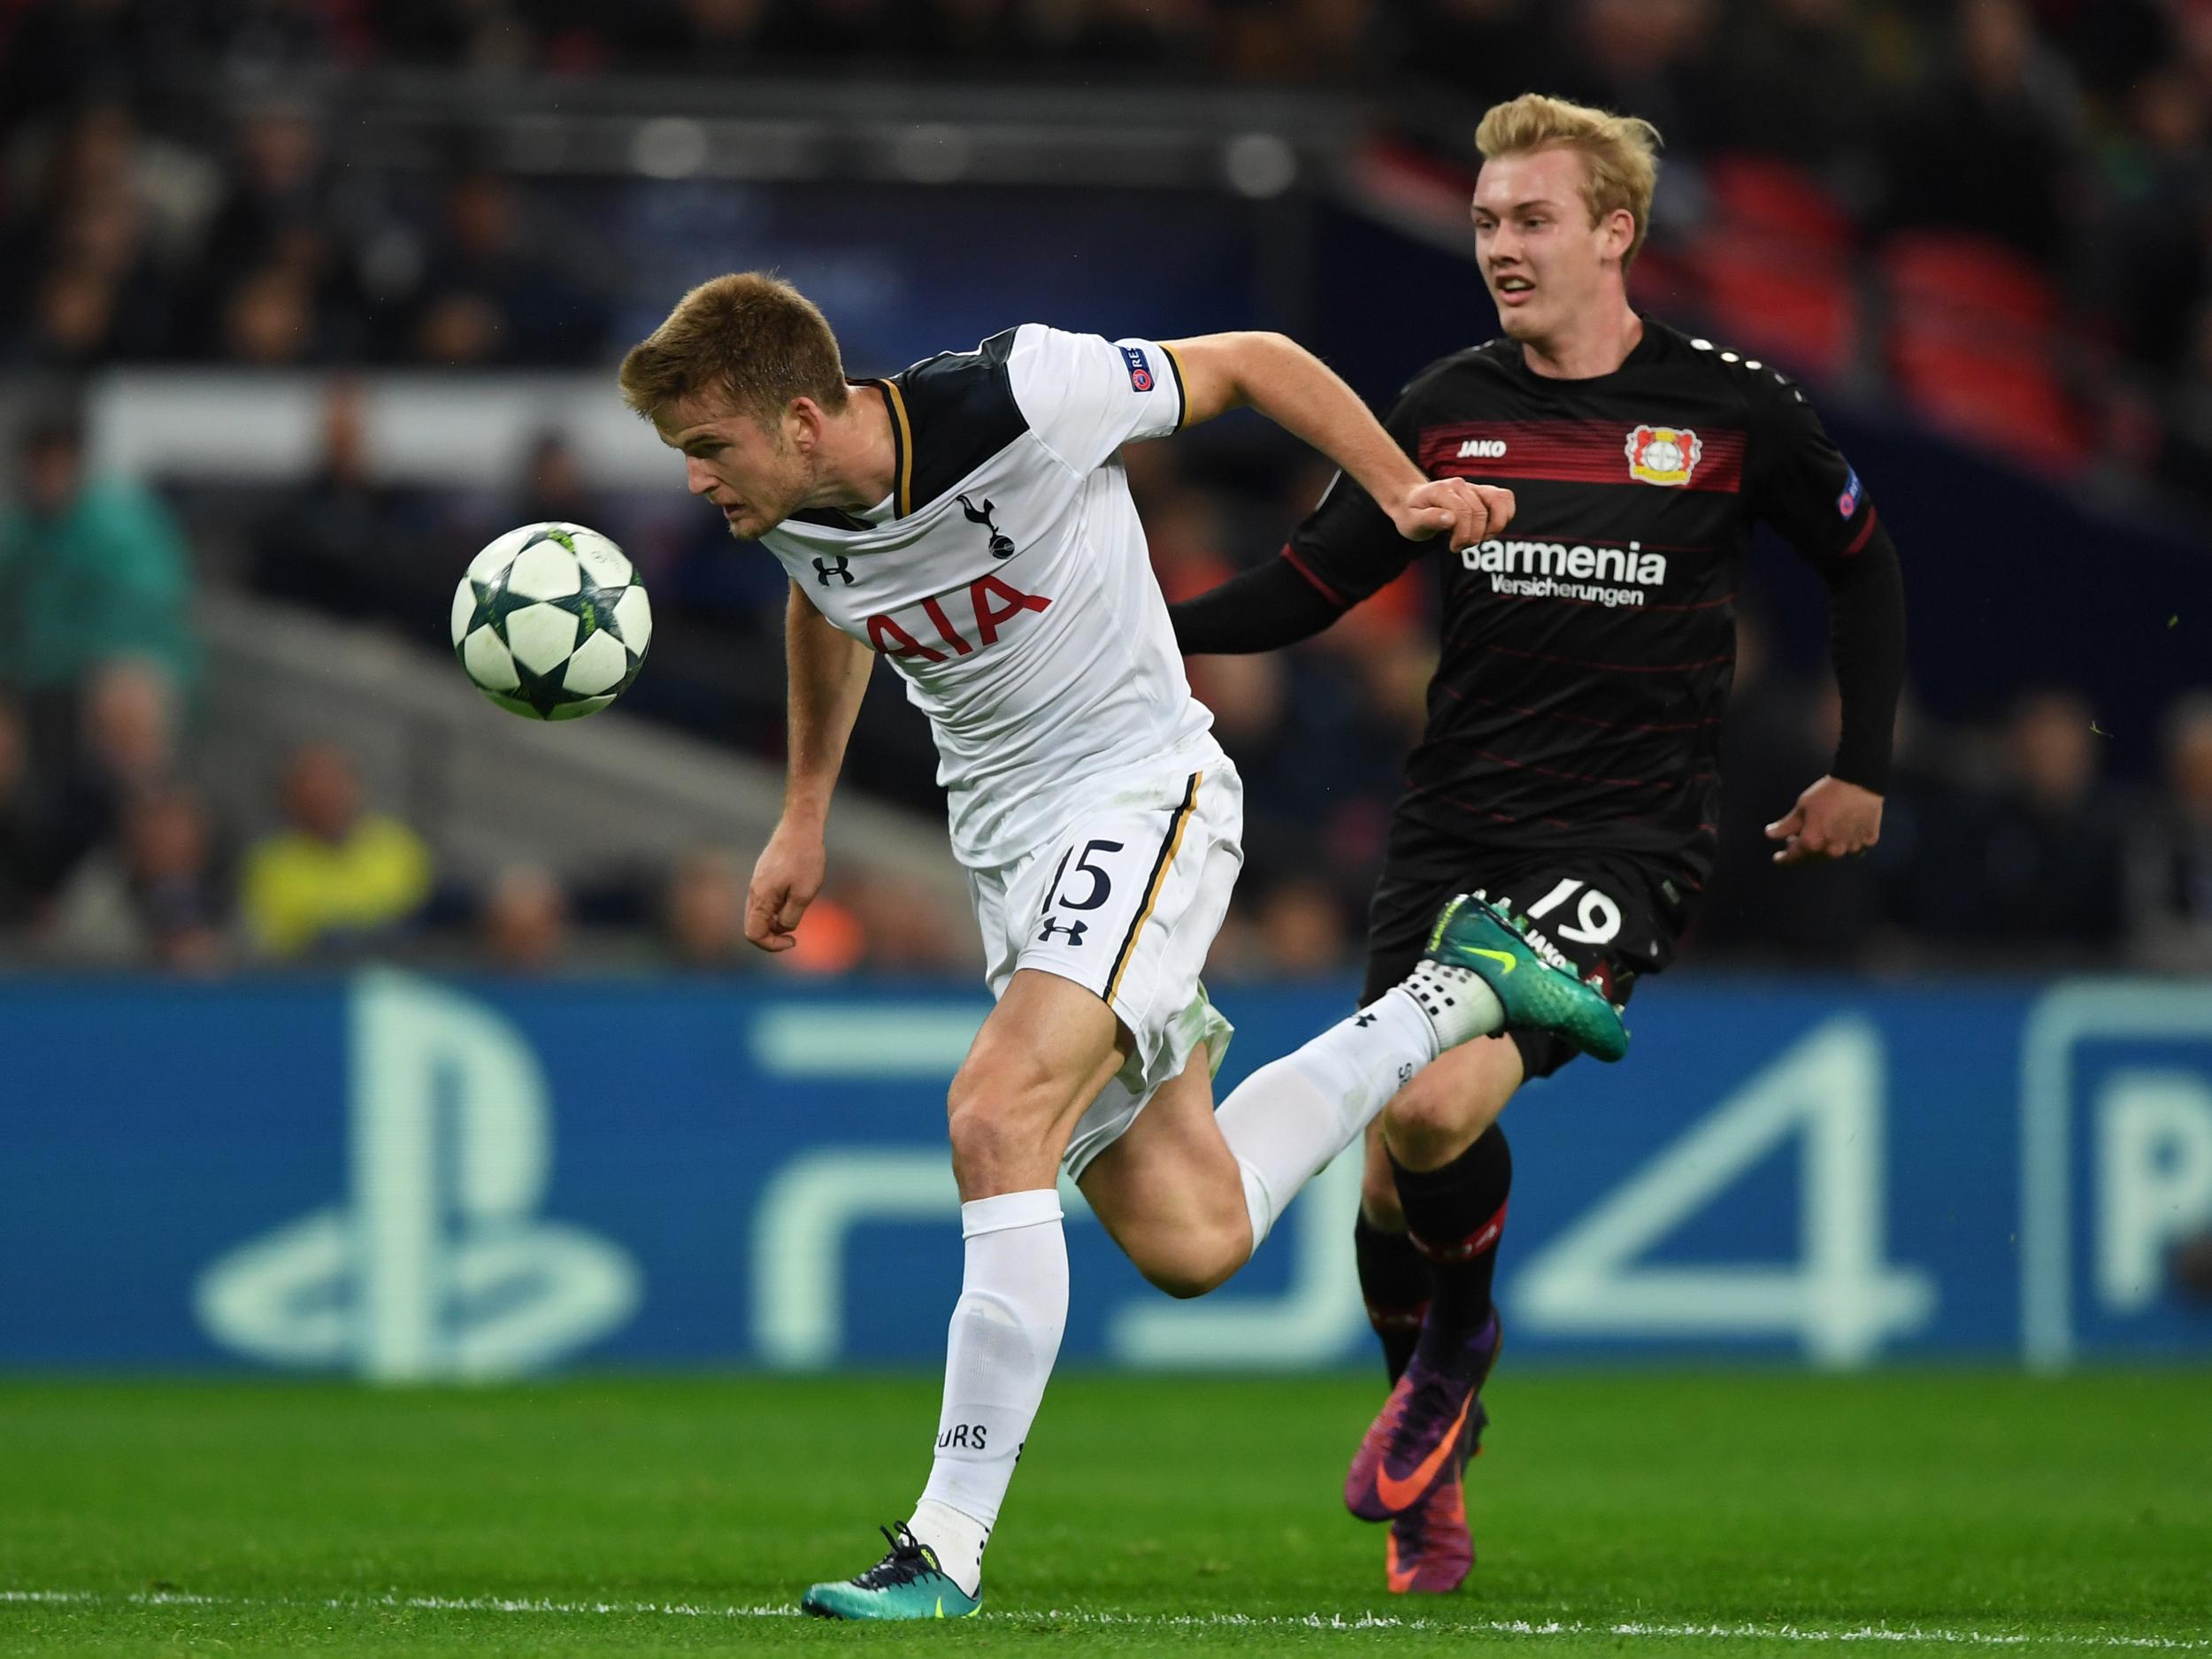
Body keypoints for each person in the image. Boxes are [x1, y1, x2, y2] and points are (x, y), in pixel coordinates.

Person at [617, 273, 1629, 1620]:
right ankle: (1461, 988)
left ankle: (944, 1546)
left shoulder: (1023, 394)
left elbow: (1257, 360)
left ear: (804, 417)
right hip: (1013, 864)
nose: (695, 482)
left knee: (993, 1116)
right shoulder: (789, 509)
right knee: (1194, 1236)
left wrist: (1402, 491)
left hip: (1141, 797)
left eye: (705, 449)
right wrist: (802, 817)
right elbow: (830, 601)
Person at [1169, 93, 1909, 1594]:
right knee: (1392, 1169)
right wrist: (1133, 631)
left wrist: (1863, 768)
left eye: (1533, 220)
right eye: (1487, 221)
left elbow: (1863, 561)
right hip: (1454, 832)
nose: (1501, 245)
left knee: (1436, 1112)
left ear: (1615, 232)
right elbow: (1311, 586)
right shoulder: (1444, 402)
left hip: (1626, 836)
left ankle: (1454, 1350)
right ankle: (1438, 1443)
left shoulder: (1730, 406)